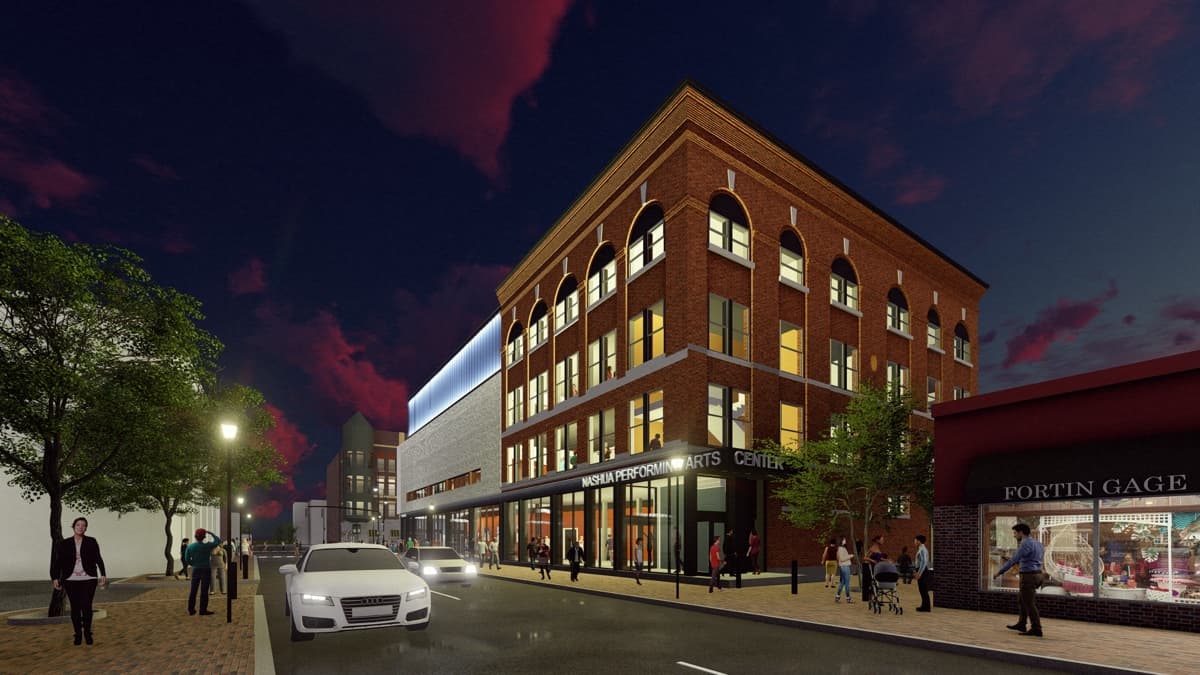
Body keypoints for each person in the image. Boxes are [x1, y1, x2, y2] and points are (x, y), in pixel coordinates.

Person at [52, 517, 107, 645]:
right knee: (75, 608)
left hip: (89, 578)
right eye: (78, 525)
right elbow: (58, 562)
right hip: (70, 580)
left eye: (83, 525)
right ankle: (77, 634)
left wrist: (103, 574)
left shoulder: (91, 541)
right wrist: (55, 577)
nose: (80, 527)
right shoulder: (64, 543)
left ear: (86, 528)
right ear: (74, 526)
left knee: (87, 606)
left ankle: (87, 633)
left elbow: (98, 558)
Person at [993, 523, 1044, 636]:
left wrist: (999, 572)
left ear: (1021, 532)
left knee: (1029, 603)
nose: (1014, 536)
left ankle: (1036, 628)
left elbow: (1013, 560)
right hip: (1037, 574)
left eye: (1015, 533)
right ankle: (1021, 624)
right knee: (1022, 600)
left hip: (1028, 576)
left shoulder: (1025, 544)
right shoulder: (1038, 544)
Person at [185, 528, 222, 616]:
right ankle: (203, 610)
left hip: (196, 569)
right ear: (204, 537)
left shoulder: (190, 547)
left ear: (195, 536)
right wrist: (211, 533)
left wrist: (193, 563)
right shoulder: (207, 546)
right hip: (206, 569)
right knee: (204, 591)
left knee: (193, 590)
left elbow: (186, 559)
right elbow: (218, 541)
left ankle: (191, 609)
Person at [863, 535, 884, 602]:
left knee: (877, 583)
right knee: (873, 583)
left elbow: (879, 558)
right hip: (871, 568)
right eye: (882, 539)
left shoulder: (878, 548)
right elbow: (865, 557)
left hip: (877, 568)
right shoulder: (872, 548)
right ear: (877, 540)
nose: (883, 541)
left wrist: (887, 560)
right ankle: (871, 599)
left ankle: (875, 598)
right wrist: (872, 561)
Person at [914, 534, 931, 612]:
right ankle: (924, 605)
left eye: (915, 540)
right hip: (921, 570)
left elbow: (924, 562)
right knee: (922, 589)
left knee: (923, 589)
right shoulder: (921, 549)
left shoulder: (922, 549)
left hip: (923, 571)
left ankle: (926, 607)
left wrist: (919, 573)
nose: (914, 542)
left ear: (919, 541)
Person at [835, 536, 854, 603]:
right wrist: (850, 556)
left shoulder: (840, 548)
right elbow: (842, 559)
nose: (845, 541)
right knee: (847, 583)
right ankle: (848, 598)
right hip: (845, 567)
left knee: (842, 582)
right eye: (844, 539)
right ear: (841, 541)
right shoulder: (841, 549)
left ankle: (837, 597)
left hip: (842, 567)